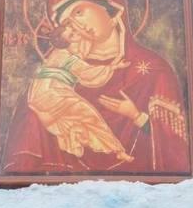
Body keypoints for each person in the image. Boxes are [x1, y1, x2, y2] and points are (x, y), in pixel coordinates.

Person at [1, 0, 191, 176]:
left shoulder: (154, 71)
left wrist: (136, 116)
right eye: (65, 23)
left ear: (113, 10)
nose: (75, 25)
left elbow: (175, 151)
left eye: (78, 12)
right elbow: (22, 165)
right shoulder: (53, 80)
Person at [27, 20, 134, 165]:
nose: (76, 33)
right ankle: (118, 151)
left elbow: (84, 53)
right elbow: (88, 73)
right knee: (90, 115)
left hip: (44, 93)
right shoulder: (67, 57)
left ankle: (107, 147)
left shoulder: (60, 53)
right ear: (68, 41)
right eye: (72, 34)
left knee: (81, 119)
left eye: (74, 31)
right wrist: (113, 67)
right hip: (52, 94)